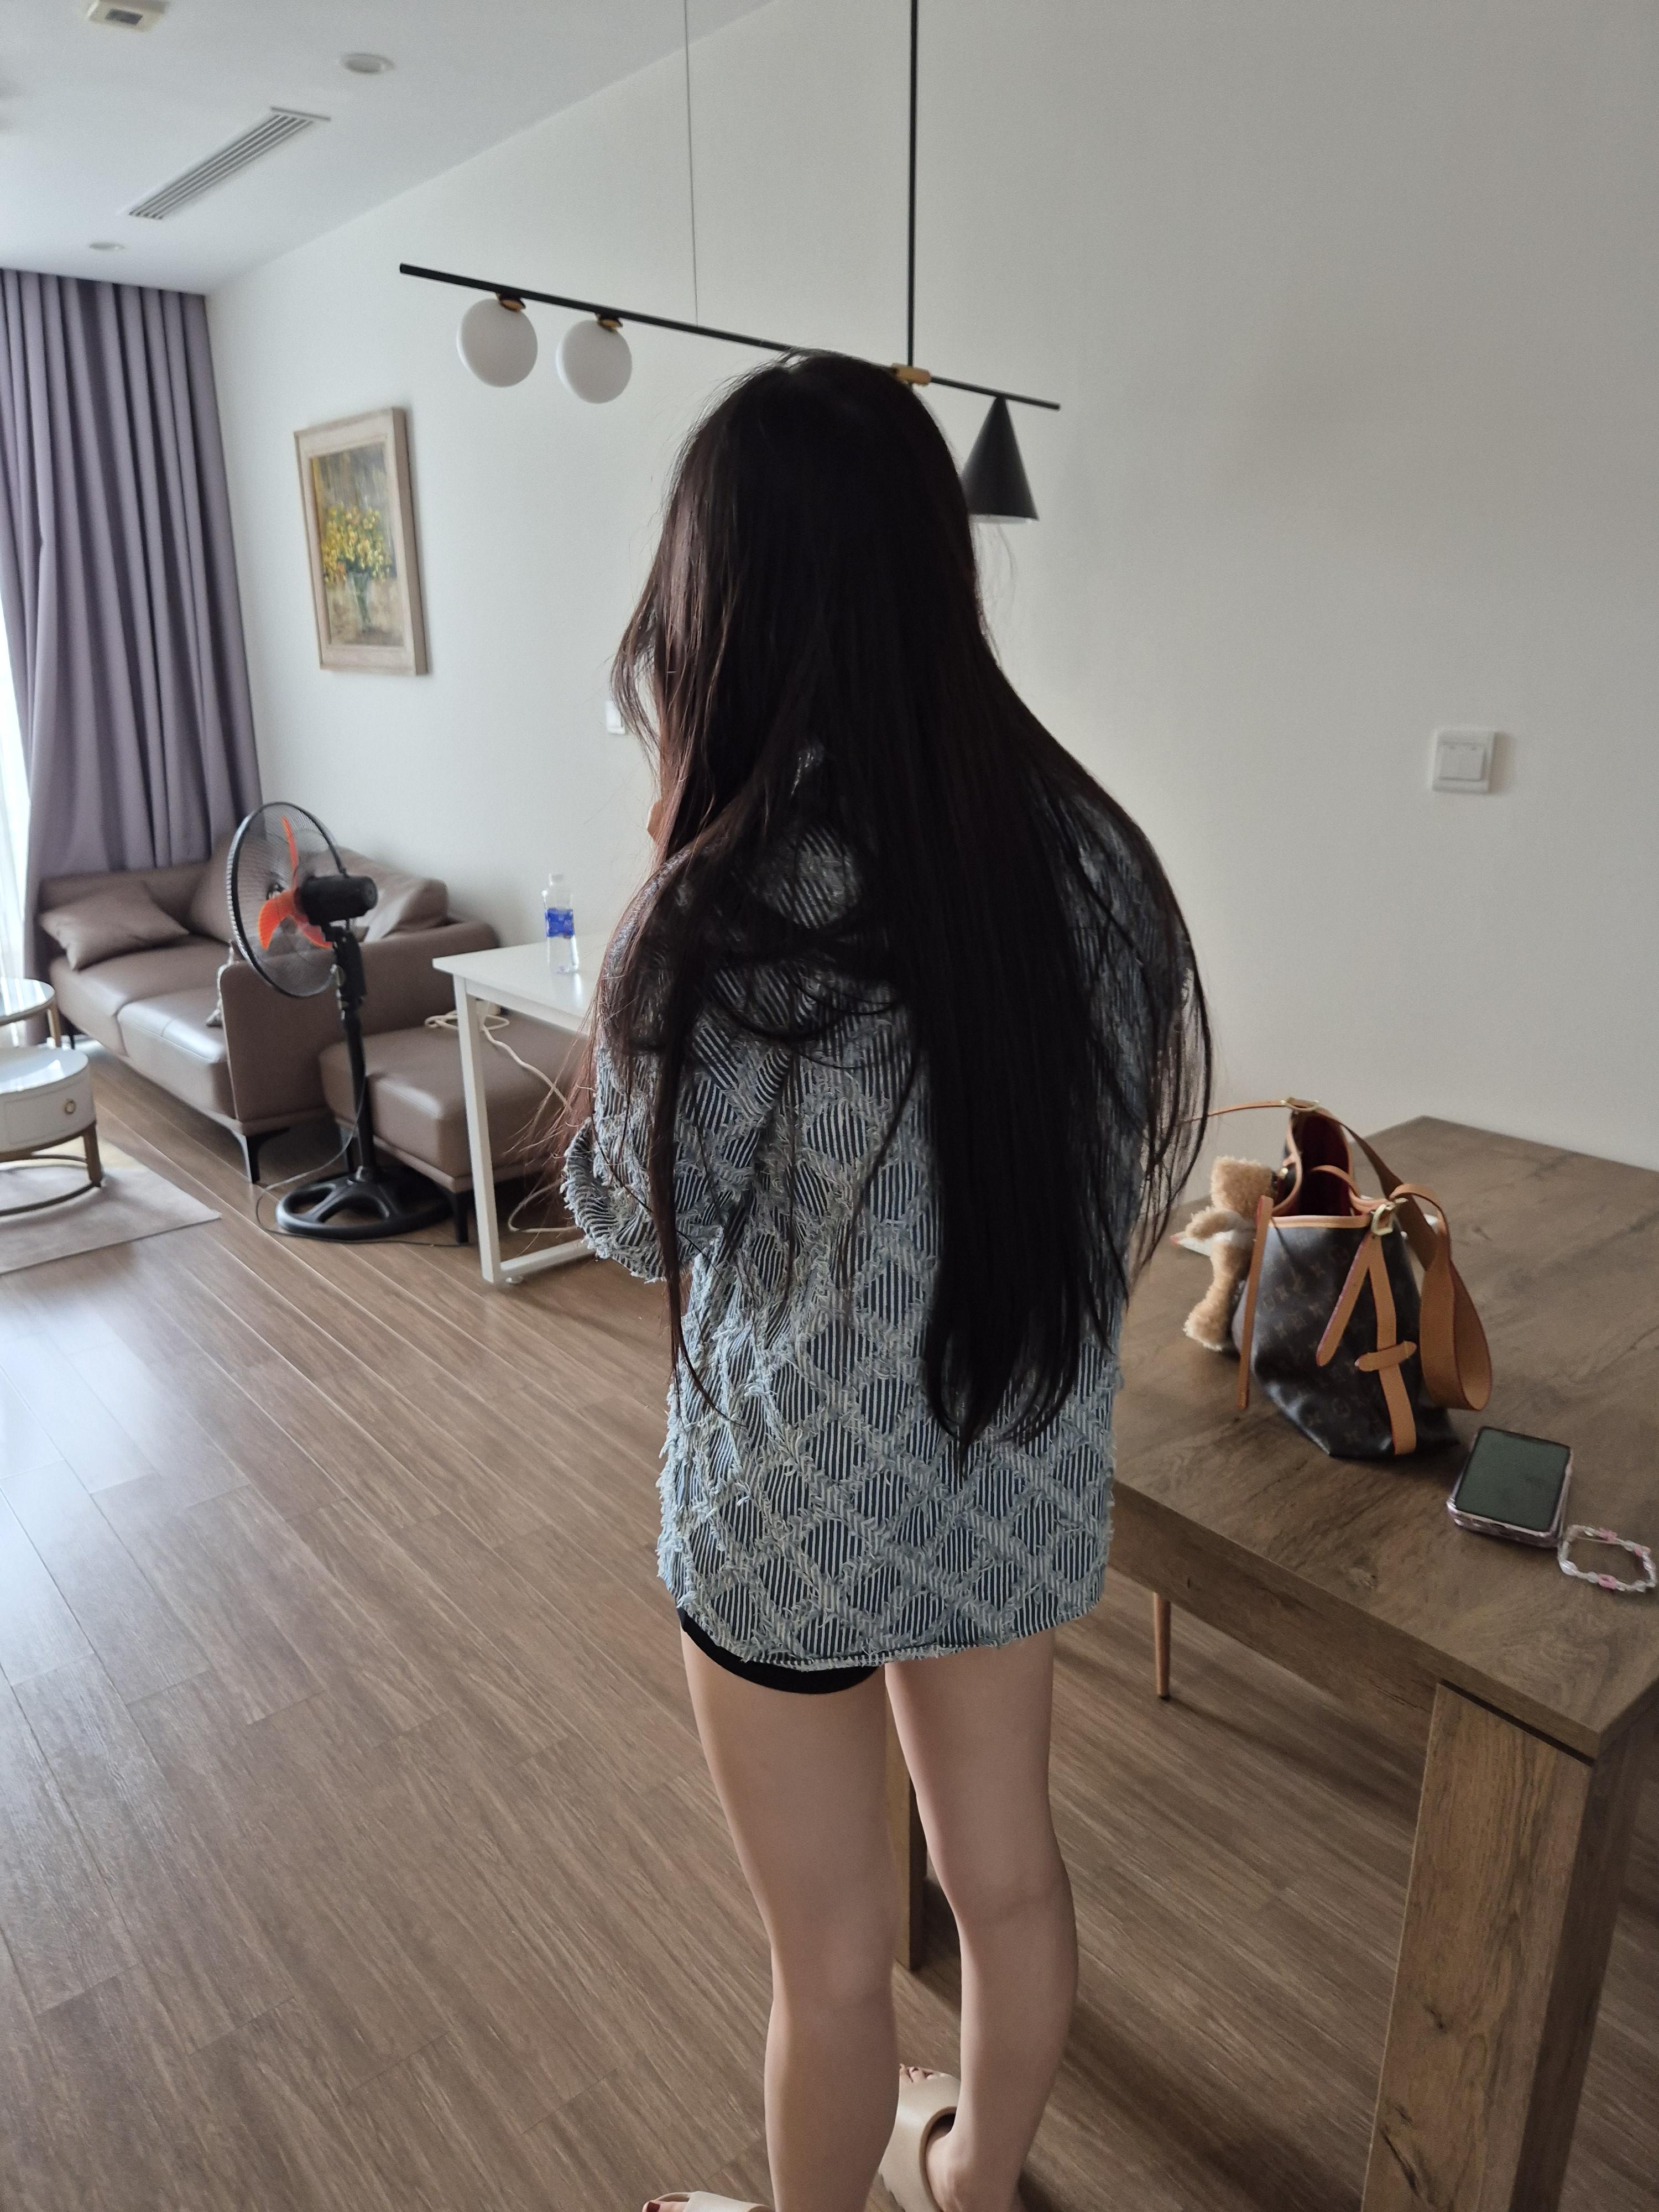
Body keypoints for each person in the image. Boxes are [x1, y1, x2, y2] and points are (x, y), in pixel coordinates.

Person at [562, 352, 1208, 2212]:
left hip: (788, 1516)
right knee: (1010, 1885)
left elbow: (630, 1221)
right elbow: (1104, 1169)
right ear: (938, 568)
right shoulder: (1097, 865)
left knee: (834, 1968)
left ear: (720, 608)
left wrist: (655, 899)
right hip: (1004, 1464)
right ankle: (974, 2179)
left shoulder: (718, 909)